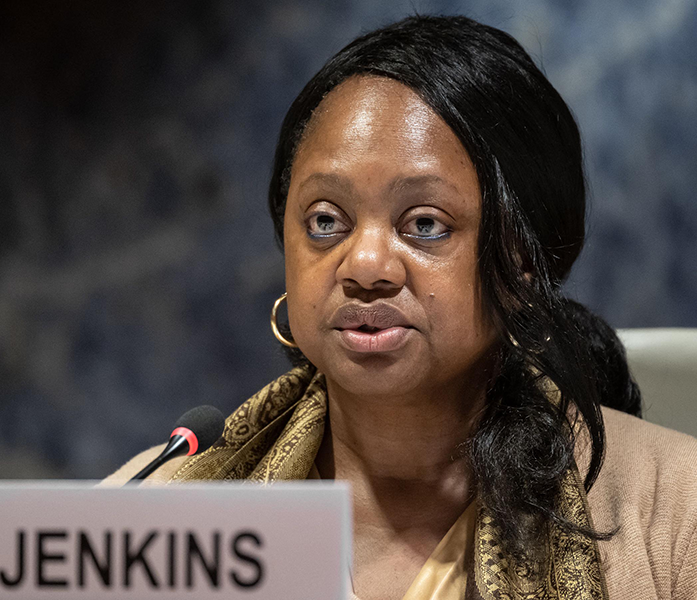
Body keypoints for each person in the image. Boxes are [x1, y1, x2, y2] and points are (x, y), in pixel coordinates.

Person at [106, 15, 697, 600]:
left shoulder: (676, 513)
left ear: (522, 261)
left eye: (424, 225)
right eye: (325, 221)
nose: (363, 265)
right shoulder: (153, 505)